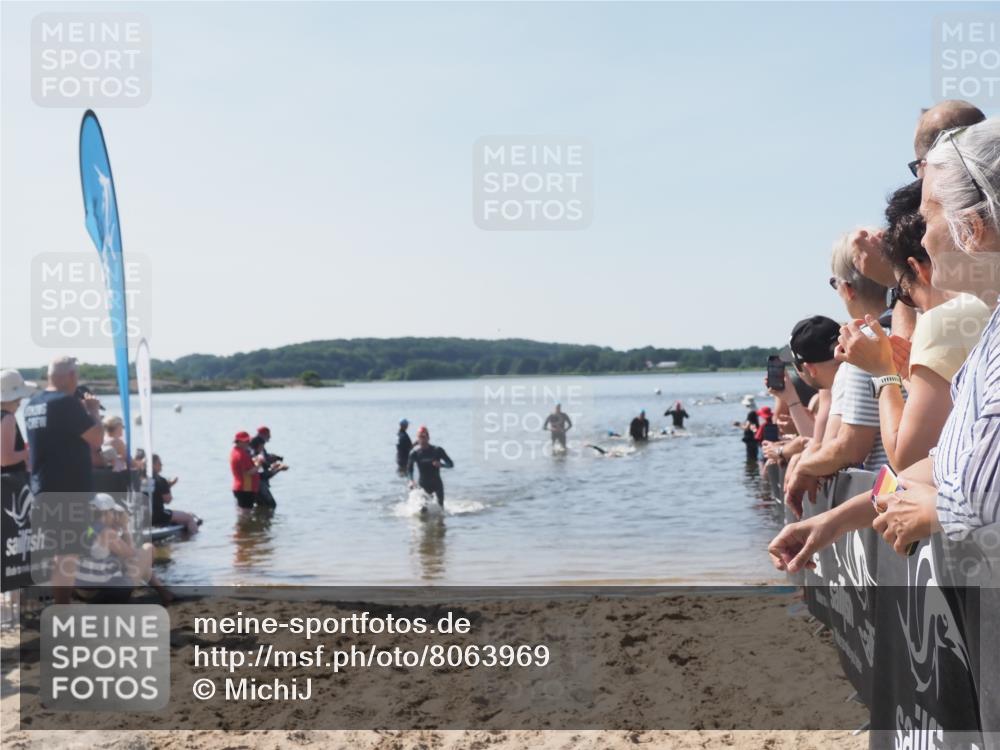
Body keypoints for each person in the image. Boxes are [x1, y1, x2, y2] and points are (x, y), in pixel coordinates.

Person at [769, 117, 1000, 569]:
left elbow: (980, 494)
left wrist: (938, 509)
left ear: (971, 228)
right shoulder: (990, 332)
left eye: (929, 213)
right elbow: (938, 464)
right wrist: (833, 522)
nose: (924, 233)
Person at [837, 180, 991, 471]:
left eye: (902, 294)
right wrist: (911, 377)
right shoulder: (988, 308)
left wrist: (884, 374)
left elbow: (906, 459)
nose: (914, 307)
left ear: (919, 267)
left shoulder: (943, 320)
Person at [24, 356, 104, 604]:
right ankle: (62, 608)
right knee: (67, 553)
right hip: (69, 487)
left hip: (43, 485)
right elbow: (97, 439)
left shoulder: (32, 404)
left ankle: (62, 603)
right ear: (71, 376)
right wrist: (93, 412)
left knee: (61, 550)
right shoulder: (66, 403)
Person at [780, 317, 843, 516]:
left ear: (808, 368)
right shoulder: (859, 375)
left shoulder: (839, 389)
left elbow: (834, 447)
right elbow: (819, 443)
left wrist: (802, 461)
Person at [75, 494, 171, 603]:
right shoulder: (106, 533)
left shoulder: (88, 529)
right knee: (148, 549)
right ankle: (163, 593)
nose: (114, 515)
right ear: (107, 513)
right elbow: (131, 554)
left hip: (82, 591)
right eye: (113, 512)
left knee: (134, 561)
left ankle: (163, 592)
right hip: (101, 594)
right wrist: (125, 526)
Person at [151, 454, 200, 533]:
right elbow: (168, 500)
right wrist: (167, 487)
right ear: (153, 465)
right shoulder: (160, 480)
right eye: (159, 463)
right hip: (158, 516)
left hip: (142, 517)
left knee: (178, 517)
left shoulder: (138, 478)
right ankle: (195, 539)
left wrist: (168, 485)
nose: (161, 465)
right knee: (189, 518)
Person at [407, 426, 454, 507]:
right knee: (423, 509)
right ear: (417, 439)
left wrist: (441, 465)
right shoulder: (414, 454)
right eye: (420, 437)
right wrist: (411, 480)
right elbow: (409, 469)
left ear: (428, 437)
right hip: (423, 485)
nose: (422, 439)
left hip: (437, 484)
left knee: (440, 509)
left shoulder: (437, 450)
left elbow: (451, 464)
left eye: (424, 436)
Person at [1, 369, 36, 474]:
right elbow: (5, 459)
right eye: (19, 399)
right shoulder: (7, 418)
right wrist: (29, 452)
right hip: (9, 484)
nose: (20, 402)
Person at [250, 426, 287, 508]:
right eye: (268, 435)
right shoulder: (255, 455)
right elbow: (263, 475)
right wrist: (278, 468)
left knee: (261, 507)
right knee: (271, 506)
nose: (270, 437)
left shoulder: (257, 448)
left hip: (255, 485)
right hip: (258, 485)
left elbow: (265, 461)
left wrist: (273, 463)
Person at [230, 431, 260, 510]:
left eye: (248, 441)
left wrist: (255, 463)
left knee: (243, 515)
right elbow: (248, 472)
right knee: (245, 515)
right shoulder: (241, 454)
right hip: (245, 488)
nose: (248, 443)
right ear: (239, 442)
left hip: (242, 488)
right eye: (246, 441)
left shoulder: (236, 451)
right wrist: (259, 463)